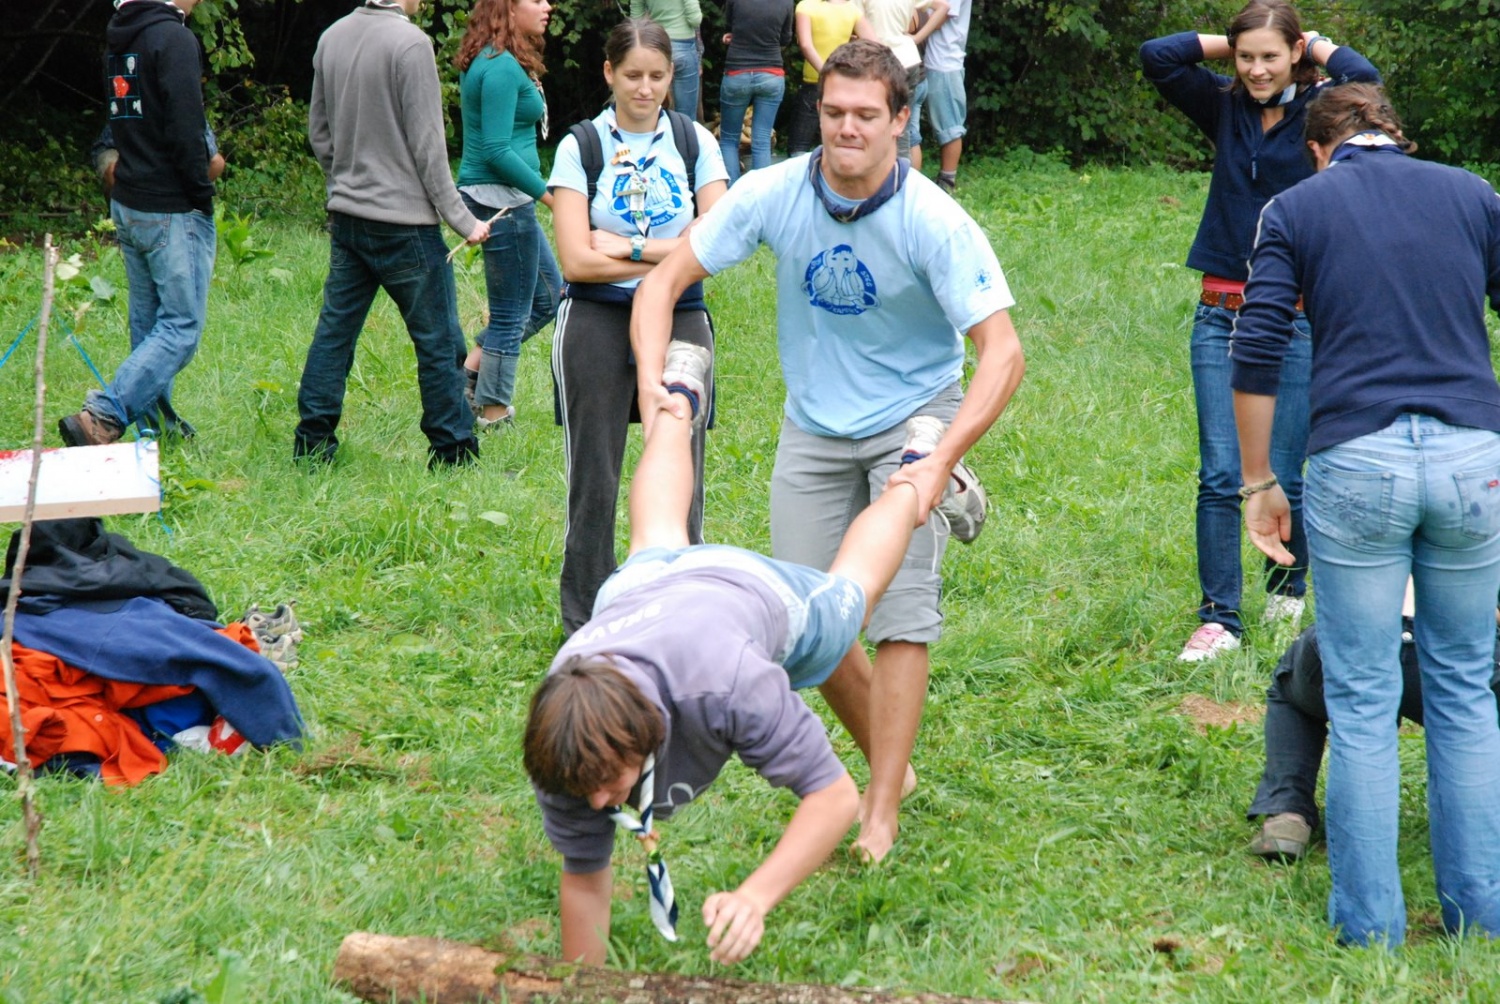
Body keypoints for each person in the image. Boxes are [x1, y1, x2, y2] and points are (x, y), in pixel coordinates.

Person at [630, 39, 1025, 863]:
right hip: (813, 425)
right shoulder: (775, 192)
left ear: (899, 121)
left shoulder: (933, 219)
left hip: (914, 419)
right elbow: (664, 283)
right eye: (835, 113)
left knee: (901, 617)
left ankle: (880, 807)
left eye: (866, 116)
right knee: (810, 626)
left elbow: (1004, 352)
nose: (847, 129)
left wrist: (944, 453)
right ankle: (897, 767)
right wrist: (648, 383)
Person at [525, 343, 934, 966]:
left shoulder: (726, 684)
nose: (604, 804)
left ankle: (918, 471)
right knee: (655, 535)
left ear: (644, 729)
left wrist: (755, 897)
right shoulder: (567, 745)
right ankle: (680, 396)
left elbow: (832, 798)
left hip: (745, 595)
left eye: (609, 784)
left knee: (853, 590)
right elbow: (585, 877)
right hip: (640, 599)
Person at [1233, 82, 1500, 946]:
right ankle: (1481, 913)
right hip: (1472, 459)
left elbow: (1259, 341)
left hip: (1358, 460)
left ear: (1320, 148)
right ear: (1396, 133)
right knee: (1464, 689)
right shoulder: (1473, 194)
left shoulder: (1297, 207)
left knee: (1359, 696)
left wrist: (1257, 482)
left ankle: (1370, 929)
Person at [1140, 1, 1379, 661]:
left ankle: (1286, 586)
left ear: (1294, 53)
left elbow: (1369, 78)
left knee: (1285, 470)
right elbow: (1157, 55)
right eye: (1247, 57)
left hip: (1298, 319)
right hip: (1221, 312)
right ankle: (1219, 616)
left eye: (1270, 57)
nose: (1256, 69)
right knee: (1221, 473)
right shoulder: (1223, 104)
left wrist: (1310, 47)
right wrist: (1237, 41)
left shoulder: (1320, 113)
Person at [548, 19, 728, 636]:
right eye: (632, 76)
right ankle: (587, 619)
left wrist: (628, 247)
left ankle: (680, 606)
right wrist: (673, 247)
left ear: (671, 76)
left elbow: (717, 242)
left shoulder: (694, 140)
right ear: (608, 74)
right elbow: (574, 259)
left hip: (681, 314)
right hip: (595, 317)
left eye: (656, 76)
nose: (645, 89)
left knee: (681, 459)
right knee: (594, 475)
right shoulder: (581, 147)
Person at [294, 0, 489, 469]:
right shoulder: (412, 44)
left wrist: (343, 184)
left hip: (348, 219)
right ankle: (453, 451)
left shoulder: (333, 35)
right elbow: (429, 148)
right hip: (407, 227)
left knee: (334, 335)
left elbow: (318, 134)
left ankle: (312, 444)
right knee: (440, 343)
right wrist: (465, 221)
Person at [60, 0, 219, 448]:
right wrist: (200, 197)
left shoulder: (121, 36)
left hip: (129, 201)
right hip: (170, 206)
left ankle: (156, 428)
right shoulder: (174, 39)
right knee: (180, 328)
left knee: (150, 326)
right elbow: (187, 127)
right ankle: (103, 415)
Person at [1247, 599, 1500, 864]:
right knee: (1472, 721)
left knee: (1295, 694)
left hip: (1353, 639)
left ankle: (1287, 815)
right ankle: (1475, 831)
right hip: (1459, 653)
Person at [454, 0, 561, 431]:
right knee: (511, 313)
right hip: (502, 201)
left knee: (549, 296)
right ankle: (494, 413)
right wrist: (550, 195)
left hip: (509, 198)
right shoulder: (498, 67)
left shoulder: (499, 58)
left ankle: (466, 377)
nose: (547, 6)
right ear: (507, 8)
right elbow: (496, 150)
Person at [717, 0, 794, 184]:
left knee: (728, 140)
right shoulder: (786, 2)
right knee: (762, 140)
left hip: (737, 73)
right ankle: (761, 198)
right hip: (772, 73)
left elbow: (730, 27)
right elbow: (785, 38)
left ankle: (732, 197)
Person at [860, 0, 947, 162]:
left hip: (880, 62)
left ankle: (880, 175)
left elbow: (858, 26)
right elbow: (943, 7)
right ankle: (903, 179)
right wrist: (915, 39)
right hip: (909, 59)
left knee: (873, 122)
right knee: (902, 126)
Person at [788, 0, 874, 157]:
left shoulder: (806, 6)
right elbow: (874, 44)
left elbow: (806, 45)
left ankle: (801, 180)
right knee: (837, 138)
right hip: (842, 81)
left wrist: (825, 72)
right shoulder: (851, 9)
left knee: (798, 145)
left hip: (813, 81)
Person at [914, 0, 971, 192]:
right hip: (929, 61)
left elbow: (938, 19)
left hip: (944, 63)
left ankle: (948, 181)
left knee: (949, 127)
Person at [629, 0, 703, 120]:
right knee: (686, 117)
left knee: (653, 111)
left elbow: (636, 22)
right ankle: (684, 138)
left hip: (656, 47)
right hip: (683, 47)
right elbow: (695, 20)